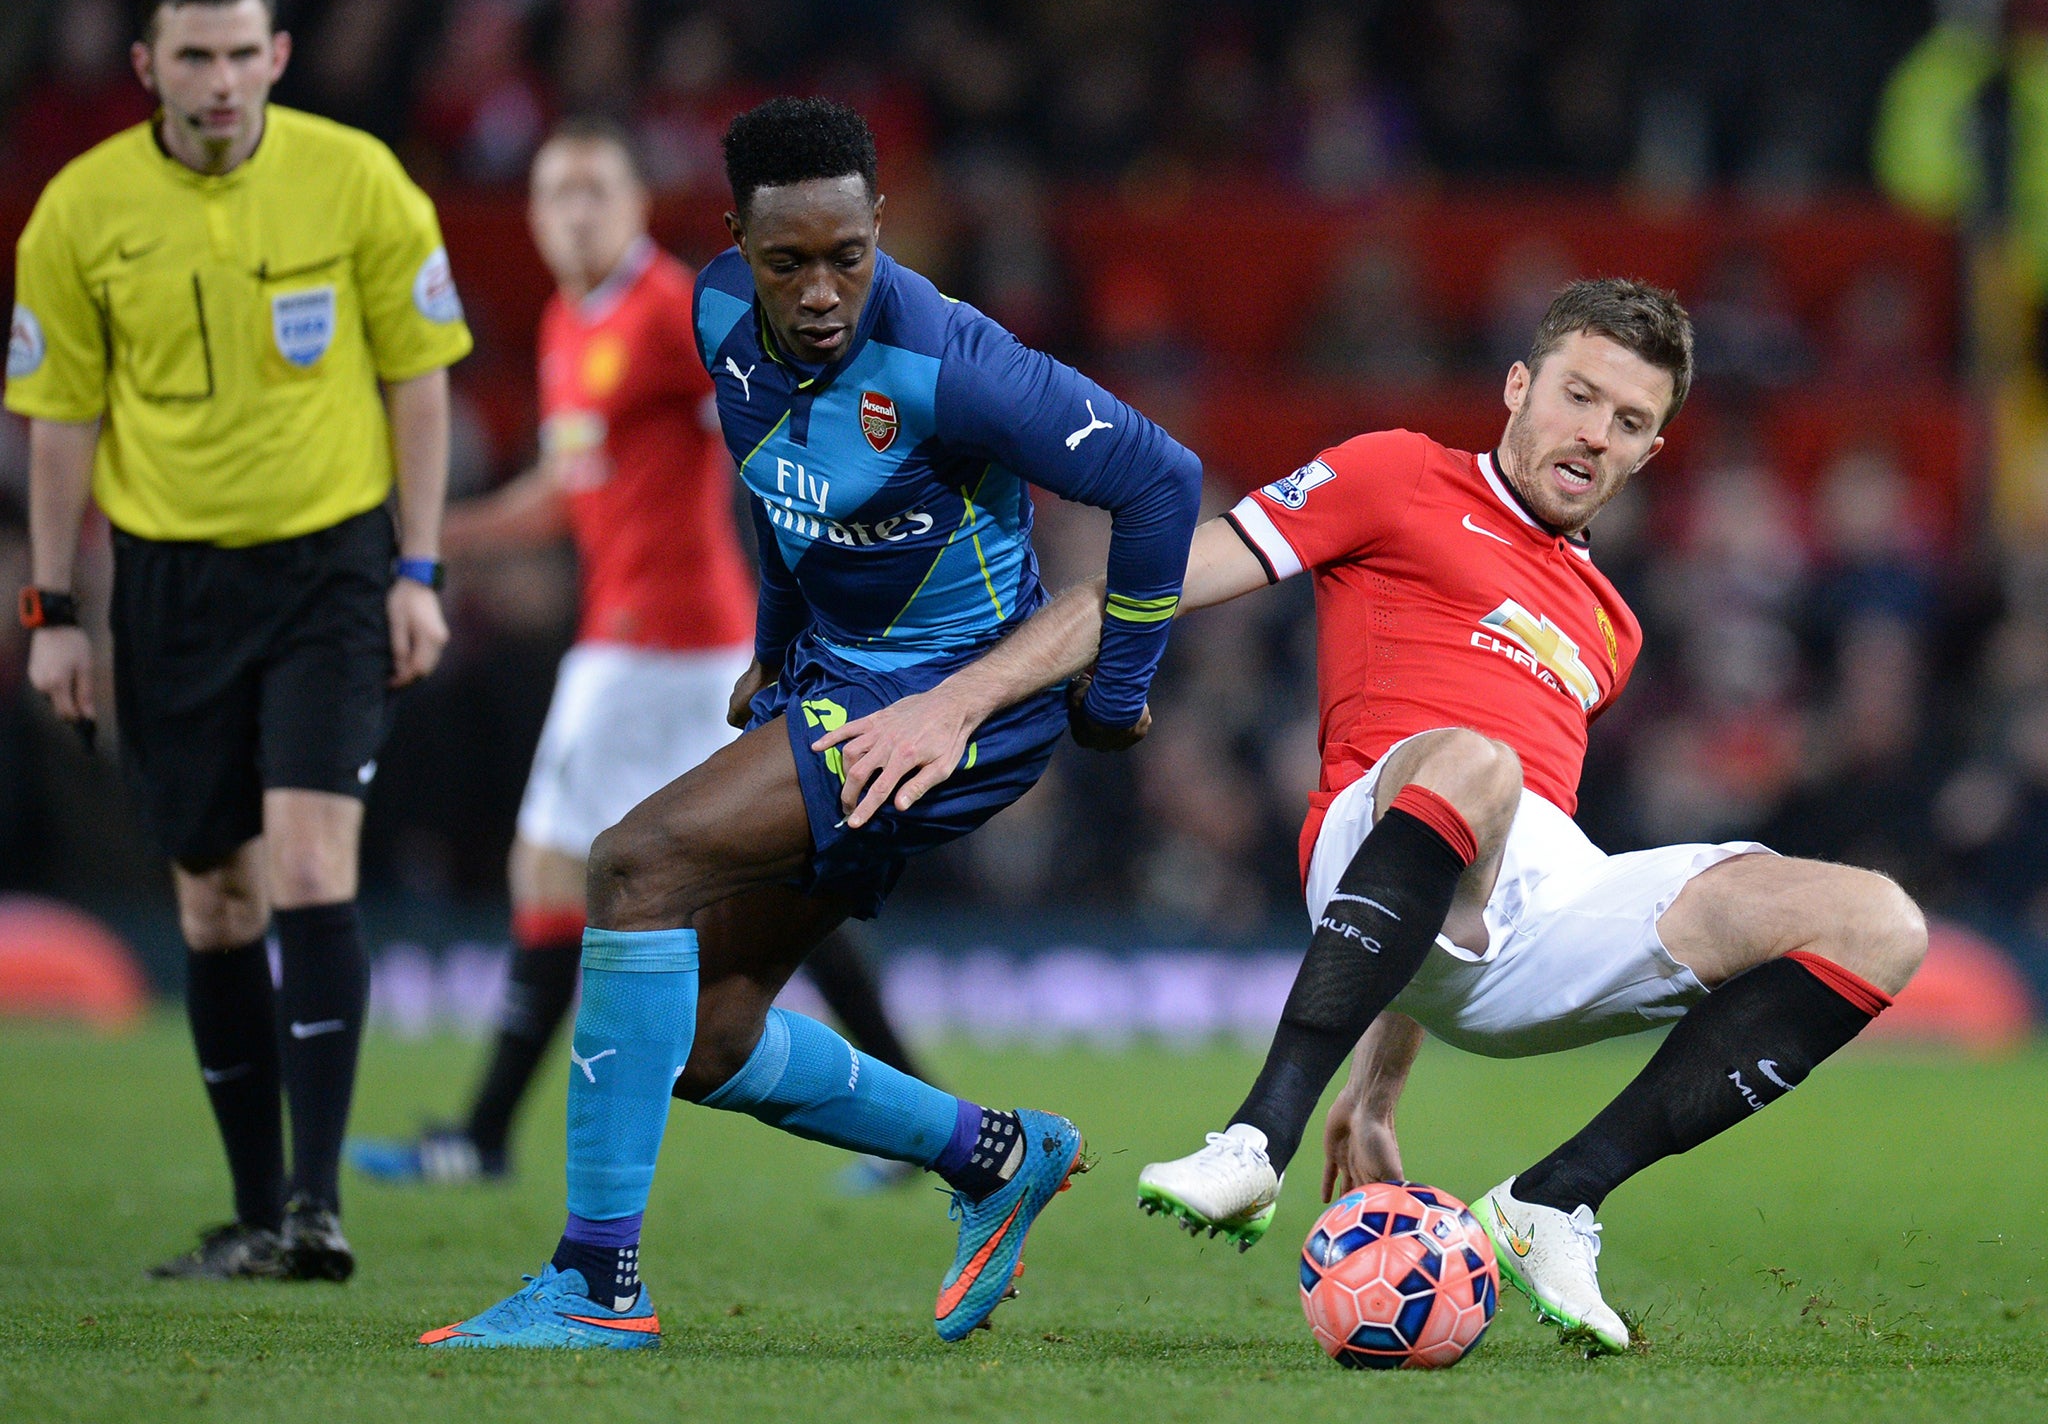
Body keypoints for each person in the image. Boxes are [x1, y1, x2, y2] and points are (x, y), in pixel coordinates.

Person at [830, 278, 1926, 1354]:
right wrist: (954, 700)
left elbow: (1469, 870)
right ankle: (1256, 1136)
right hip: (1373, 811)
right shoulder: (1393, 473)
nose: (1594, 434)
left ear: (1651, 452)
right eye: (1577, 396)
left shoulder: (1609, 626)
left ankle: (1556, 1200)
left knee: (1877, 921)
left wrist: (1380, 1083)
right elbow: (1146, 580)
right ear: (1515, 387)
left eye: (1629, 421)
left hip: (1522, 895)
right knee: (1477, 762)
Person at [419, 96, 1202, 1350]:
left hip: (954, 704)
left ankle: (594, 1284)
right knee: (708, 1037)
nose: (823, 289)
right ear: (736, 240)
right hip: (837, 684)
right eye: (789, 261)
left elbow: (1160, 478)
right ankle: (995, 1154)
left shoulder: (948, 357)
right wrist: (775, 647)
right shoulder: (717, 315)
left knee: (631, 863)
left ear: (881, 226)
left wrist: (1111, 695)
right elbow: (778, 489)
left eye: (849, 254)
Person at [347, 116, 940, 1193]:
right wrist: (431, 534)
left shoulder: (670, 310)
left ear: (630, 207)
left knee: (556, 868)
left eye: (592, 192)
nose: (572, 211)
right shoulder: (568, 325)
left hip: (665, 647)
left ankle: (481, 1136)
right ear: (529, 215)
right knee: (771, 880)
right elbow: (561, 497)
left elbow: (773, 425)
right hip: (629, 642)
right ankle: (914, 1110)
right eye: (553, 192)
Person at [8, 0, 471, 1280]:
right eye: (192, 58)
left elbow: (421, 380)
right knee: (215, 903)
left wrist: (420, 569)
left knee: (313, 868)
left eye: (241, 53)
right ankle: (258, 1206)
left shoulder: (358, 178)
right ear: (147, 69)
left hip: (330, 568)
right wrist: (54, 609)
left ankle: (318, 1209)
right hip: (168, 583)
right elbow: (56, 422)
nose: (220, 82)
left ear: (277, 55)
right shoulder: (81, 211)